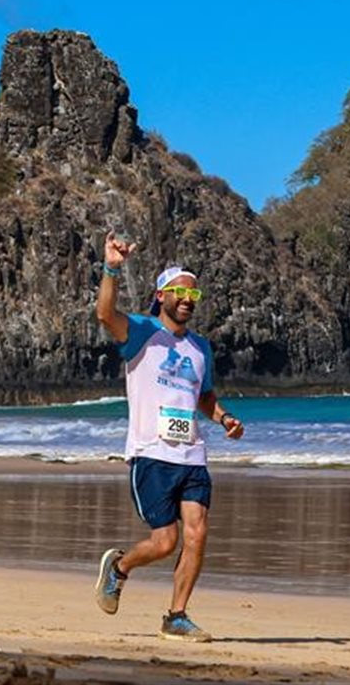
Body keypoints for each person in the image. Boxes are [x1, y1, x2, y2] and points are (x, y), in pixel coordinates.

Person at [92, 231, 245, 643]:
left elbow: (204, 396)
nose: (187, 299)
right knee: (165, 542)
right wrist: (111, 268)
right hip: (150, 454)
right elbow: (106, 314)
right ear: (161, 295)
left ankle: (176, 615)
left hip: (192, 455)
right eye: (179, 292)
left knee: (197, 532)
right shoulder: (141, 332)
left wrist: (224, 417)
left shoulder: (200, 348)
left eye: (193, 294)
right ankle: (119, 568)